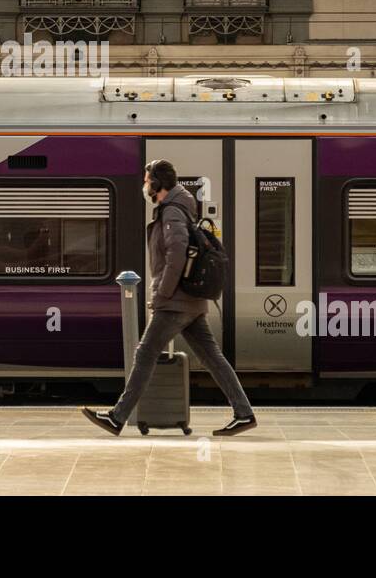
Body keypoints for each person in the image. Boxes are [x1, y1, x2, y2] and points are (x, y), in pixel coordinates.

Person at [83, 160, 257, 437]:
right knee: (212, 357)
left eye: (147, 179)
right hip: (189, 301)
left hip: (175, 301)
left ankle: (117, 417)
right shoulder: (181, 208)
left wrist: (163, 292)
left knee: (145, 354)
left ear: (157, 183)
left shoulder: (172, 212)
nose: (144, 184)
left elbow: (176, 253)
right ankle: (244, 413)